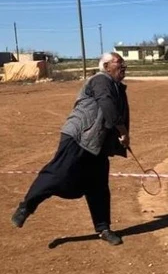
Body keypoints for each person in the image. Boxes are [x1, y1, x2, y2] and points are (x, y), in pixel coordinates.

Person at [11, 52, 130, 246]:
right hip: (78, 136)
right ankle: (27, 206)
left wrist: (118, 139)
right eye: (119, 62)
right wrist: (122, 130)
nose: (123, 66)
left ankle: (103, 228)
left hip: (96, 143)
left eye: (123, 63)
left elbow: (114, 114)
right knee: (57, 175)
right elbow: (107, 104)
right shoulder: (101, 80)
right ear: (106, 66)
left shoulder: (117, 86)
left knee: (98, 186)